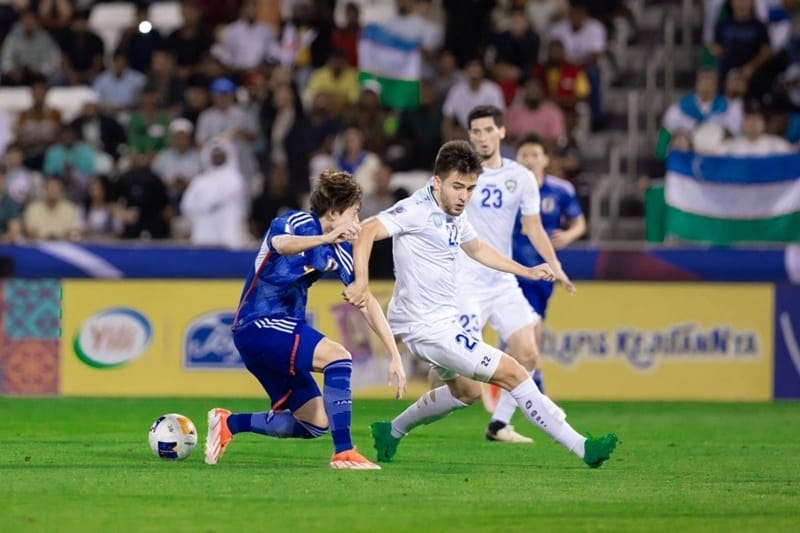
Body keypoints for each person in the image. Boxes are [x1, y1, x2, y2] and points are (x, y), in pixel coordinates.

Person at [344, 140, 617, 468]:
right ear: (437, 182)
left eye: (470, 188)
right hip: (426, 328)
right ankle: (583, 447)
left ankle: (391, 430)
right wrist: (361, 280)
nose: (464, 196)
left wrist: (526, 270)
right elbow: (367, 230)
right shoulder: (416, 209)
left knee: (467, 393)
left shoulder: (455, 213)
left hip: (443, 322)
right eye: (457, 187)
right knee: (514, 372)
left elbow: (477, 250)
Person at [205, 169, 407, 470]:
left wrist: (393, 354)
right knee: (339, 358)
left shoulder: (339, 251)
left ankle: (229, 423)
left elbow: (365, 300)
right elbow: (280, 245)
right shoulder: (298, 222)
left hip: (274, 335)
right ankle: (344, 452)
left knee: (315, 422)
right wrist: (326, 237)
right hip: (258, 324)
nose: (357, 223)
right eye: (354, 214)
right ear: (335, 211)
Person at [459, 105, 574, 444]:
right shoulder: (460, 175)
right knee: (461, 378)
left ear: (501, 132)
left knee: (528, 353)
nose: (481, 137)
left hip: (501, 280)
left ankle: (499, 424)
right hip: (464, 281)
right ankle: (402, 426)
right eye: (475, 131)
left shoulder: (520, 177)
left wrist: (556, 266)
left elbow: (534, 228)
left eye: (487, 130)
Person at [512, 134, 586, 369]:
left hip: (542, 269)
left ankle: (527, 376)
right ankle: (533, 381)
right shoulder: (506, 191)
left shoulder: (561, 190)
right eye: (524, 155)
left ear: (545, 159)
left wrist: (567, 235)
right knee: (526, 329)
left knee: (533, 327)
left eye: (535, 155)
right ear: (516, 160)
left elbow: (580, 223)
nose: (529, 160)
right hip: (508, 268)